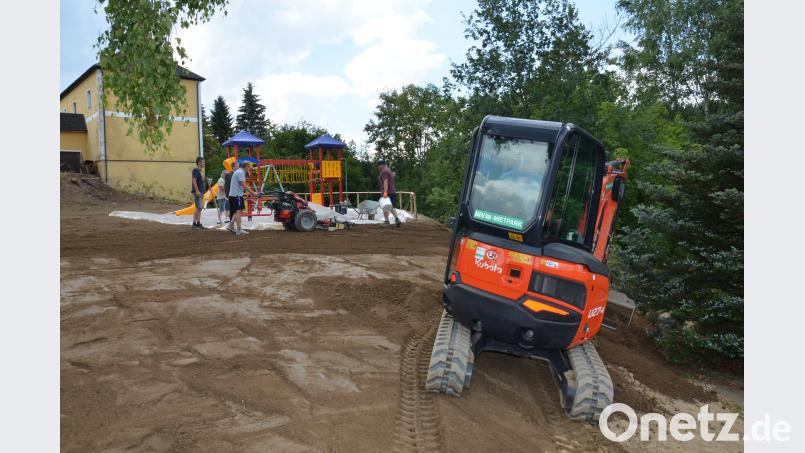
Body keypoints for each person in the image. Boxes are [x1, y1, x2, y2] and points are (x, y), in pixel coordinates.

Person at [227, 160, 256, 236]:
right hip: (236, 195)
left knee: (238, 211)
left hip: (235, 195)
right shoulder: (240, 173)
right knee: (238, 211)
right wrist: (253, 193)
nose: (250, 168)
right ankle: (239, 229)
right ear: (246, 166)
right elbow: (243, 185)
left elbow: (241, 185)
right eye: (249, 167)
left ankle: (230, 225)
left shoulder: (239, 172)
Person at [377, 160, 401, 227]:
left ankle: (387, 222)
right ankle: (397, 219)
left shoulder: (384, 171)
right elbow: (390, 178)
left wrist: (385, 192)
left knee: (385, 206)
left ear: (381, 165)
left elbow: (386, 182)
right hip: (392, 191)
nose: (378, 168)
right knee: (392, 206)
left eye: (378, 166)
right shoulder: (388, 170)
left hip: (387, 192)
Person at [191, 157, 207, 230]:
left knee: (199, 208)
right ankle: (194, 224)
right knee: (198, 207)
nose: (204, 163)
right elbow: (194, 180)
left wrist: (206, 180)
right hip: (198, 192)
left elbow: (200, 181)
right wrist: (197, 191)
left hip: (201, 191)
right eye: (203, 162)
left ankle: (198, 223)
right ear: (198, 163)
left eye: (204, 162)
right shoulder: (196, 170)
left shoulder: (200, 171)